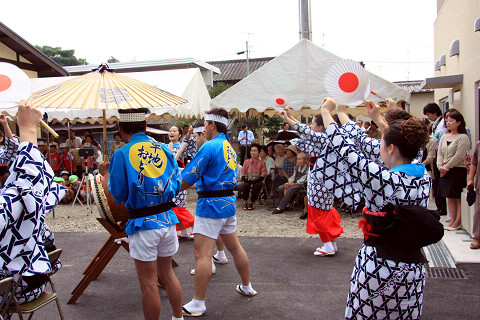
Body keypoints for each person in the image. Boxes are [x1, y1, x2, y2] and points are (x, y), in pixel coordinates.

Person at [312, 98, 432, 319]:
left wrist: (326, 112)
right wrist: (377, 118)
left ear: (391, 147)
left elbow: (343, 147)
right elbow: (406, 145)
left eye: (382, 144)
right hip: (414, 270)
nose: (379, 148)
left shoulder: (381, 179)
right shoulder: (424, 177)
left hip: (380, 268)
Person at [98, 108, 184, 320]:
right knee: (167, 274)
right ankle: (178, 317)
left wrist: (105, 175)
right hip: (167, 219)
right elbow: (177, 182)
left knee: (148, 283)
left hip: (143, 224)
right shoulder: (164, 148)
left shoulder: (122, 153)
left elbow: (117, 194)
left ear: (120, 128)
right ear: (145, 126)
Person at [181, 108, 257, 317]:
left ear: (213, 125)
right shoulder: (229, 147)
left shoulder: (209, 147)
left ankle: (198, 302)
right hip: (227, 203)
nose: (203, 128)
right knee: (235, 247)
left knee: (202, 255)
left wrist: (167, 190)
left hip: (210, 204)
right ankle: (247, 285)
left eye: (205, 124)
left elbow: (188, 178)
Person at [0, 101, 65, 319]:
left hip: (16, 285)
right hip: (18, 287)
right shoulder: (10, 206)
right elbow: (31, 191)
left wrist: (11, 129)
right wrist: (28, 131)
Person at [283, 113, 344, 253]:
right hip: (323, 177)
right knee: (326, 210)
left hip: (319, 179)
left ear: (321, 127)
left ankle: (328, 245)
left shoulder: (323, 137)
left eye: (313, 124)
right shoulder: (326, 138)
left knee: (319, 210)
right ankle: (331, 243)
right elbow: (303, 131)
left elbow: (304, 130)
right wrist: (289, 116)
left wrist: (287, 118)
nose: (310, 126)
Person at [437, 109, 470, 231]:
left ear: (459, 122)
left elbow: (459, 155)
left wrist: (447, 167)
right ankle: (452, 220)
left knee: (457, 197)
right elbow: (439, 153)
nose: (448, 123)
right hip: (444, 170)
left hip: (457, 170)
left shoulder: (463, 137)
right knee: (449, 196)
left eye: (451, 121)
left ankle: (458, 221)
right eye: (447, 121)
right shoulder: (444, 136)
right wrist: (440, 166)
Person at [168, 125, 197, 239]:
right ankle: (183, 231)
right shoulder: (166, 147)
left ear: (180, 135)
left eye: (174, 131)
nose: (172, 132)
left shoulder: (182, 146)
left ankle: (195, 227)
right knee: (171, 208)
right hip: (169, 180)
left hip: (180, 180)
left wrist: (189, 134)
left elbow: (190, 145)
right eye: (170, 130)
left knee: (179, 207)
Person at [423, 102, 447, 216]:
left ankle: (442, 208)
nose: (429, 117)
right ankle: (440, 207)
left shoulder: (442, 123)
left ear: (435, 112)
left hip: (439, 153)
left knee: (438, 182)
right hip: (436, 153)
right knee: (436, 183)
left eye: (429, 114)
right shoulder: (436, 124)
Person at [241, 144, 266, 210]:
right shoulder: (246, 162)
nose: (253, 152)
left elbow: (263, 174)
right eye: (252, 151)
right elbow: (243, 172)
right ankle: (245, 202)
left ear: (258, 152)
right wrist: (245, 178)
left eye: (255, 151)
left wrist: (257, 180)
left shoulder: (262, 163)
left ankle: (251, 202)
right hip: (248, 179)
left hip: (257, 180)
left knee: (257, 185)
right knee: (246, 185)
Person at [467, 141, 480, 249]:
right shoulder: (478, 145)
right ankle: (477, 237)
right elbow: (474, 163)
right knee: (478, 212)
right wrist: (470, 179)